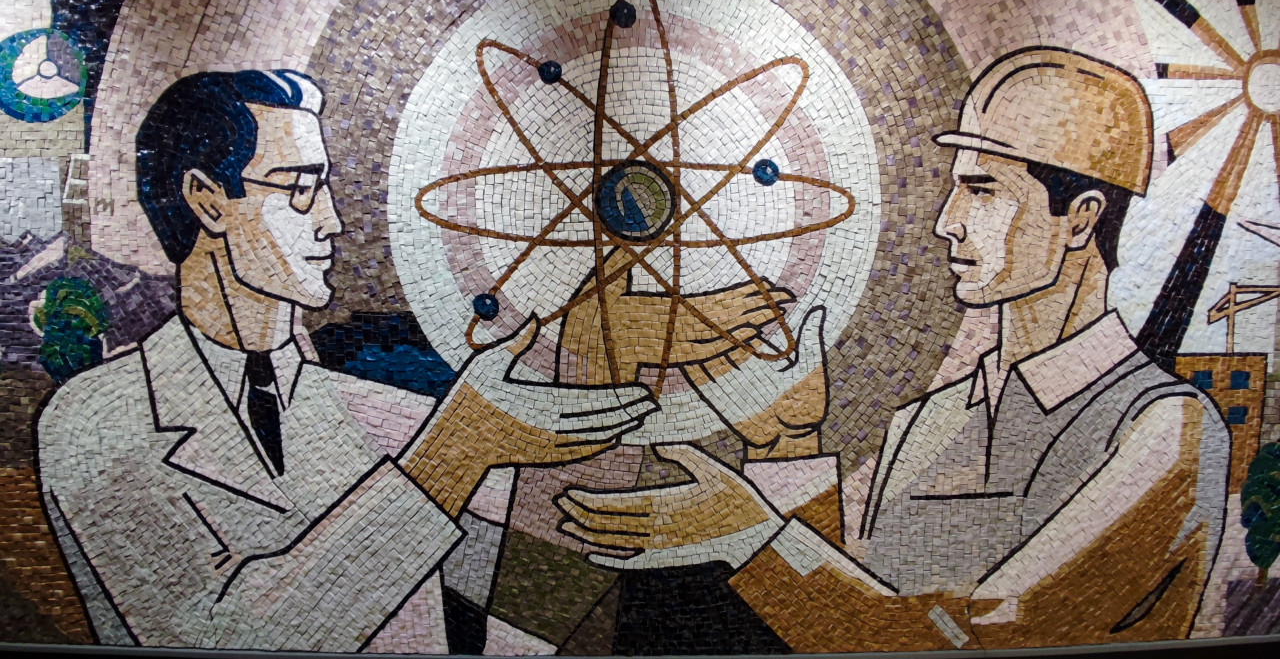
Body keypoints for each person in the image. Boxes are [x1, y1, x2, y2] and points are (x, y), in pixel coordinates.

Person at [557, 47, 1231, 650]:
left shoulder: (1166, 429)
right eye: (956, 188)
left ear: (1080, 218)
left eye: (983, 191)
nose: (947, 222)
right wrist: (787, 440)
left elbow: (978, 637)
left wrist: (753, 537)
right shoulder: (928, 422)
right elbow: (853, 618)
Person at [35, 69, 658, 651]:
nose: (331, 221)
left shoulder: (359, 408)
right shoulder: (96, 420)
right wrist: (456, 451)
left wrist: (681, 510)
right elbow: (223, 636)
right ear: (208, 200)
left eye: (325, 186)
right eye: (300, 188)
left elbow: (549, 514)